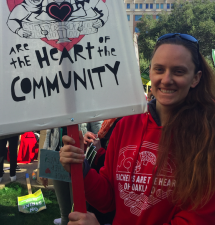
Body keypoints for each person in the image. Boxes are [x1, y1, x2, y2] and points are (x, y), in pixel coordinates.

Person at [60, 33, 215, 225]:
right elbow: (108, 199)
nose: (166, 79)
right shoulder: (126, 125)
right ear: (150, 72)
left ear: (196, 78)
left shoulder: (208, 136)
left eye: (178, 71)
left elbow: (196, 218)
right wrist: (81, 168)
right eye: (159, 69)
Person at [39, 127, 73, 225]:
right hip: (57, 163)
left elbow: (96, 132)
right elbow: (47, 140)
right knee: (65, 212)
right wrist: (43, 168)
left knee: (77, 211)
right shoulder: (56, 113)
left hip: (77, 163)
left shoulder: (84, 112)